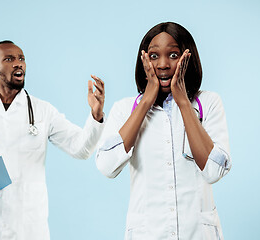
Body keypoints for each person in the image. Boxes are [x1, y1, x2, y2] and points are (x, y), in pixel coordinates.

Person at [0, 40, 105, 240]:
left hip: (30, 230)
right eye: (9, 59)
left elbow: (81, 149)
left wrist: (96, 115)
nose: (18, 63)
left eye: (21, 58)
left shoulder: (43, 111)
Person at [95, 22, 231, 239]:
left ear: (188, 58)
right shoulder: (124, 109)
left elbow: (214, 172)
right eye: (154, 56)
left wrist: (184, 103)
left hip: (197, 232)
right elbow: (107, 166)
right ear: (144, 61)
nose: (164, 64)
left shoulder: (209, 103)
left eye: (174, 54)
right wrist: (146, 101)